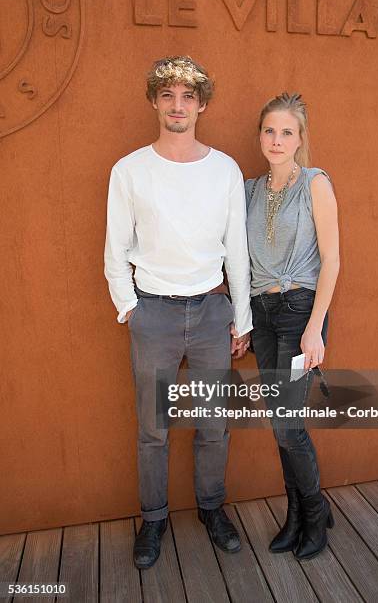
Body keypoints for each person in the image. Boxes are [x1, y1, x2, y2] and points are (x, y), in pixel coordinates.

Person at [104, 56, 252, 569]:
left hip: (213, 311)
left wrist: (243, 317)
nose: (177, 106)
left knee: (213, 423)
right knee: (154, 429)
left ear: (202, 105)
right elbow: (115, 247)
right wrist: (130, 308)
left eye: (188, 96)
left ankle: (212, 509)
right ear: (154, 101)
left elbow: (237, 249)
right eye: (167, 95)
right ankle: (154, 518)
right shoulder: (129, 170)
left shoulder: (225, 169)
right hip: (155, 315)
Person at [246, 92, 340, 560]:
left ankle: (315, 512)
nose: (276, 139)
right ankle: (298, 515)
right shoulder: (249, 190)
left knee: (287, 425)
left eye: (286, 132)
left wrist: (315, 329)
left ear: (300, 138)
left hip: (301, 312)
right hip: (262, 314)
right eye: (269, 130)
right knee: (281, 421)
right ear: (260, 135)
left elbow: (333, 259)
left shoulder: (315, 184)